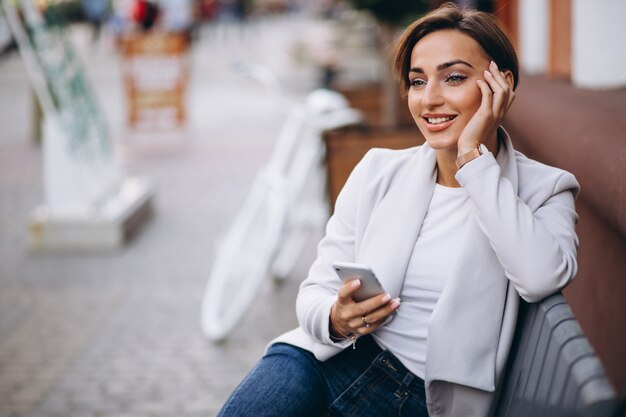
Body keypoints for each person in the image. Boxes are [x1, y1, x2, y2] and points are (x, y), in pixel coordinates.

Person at [216, 3, 580, 417]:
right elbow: (314, 291)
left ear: (501, 84)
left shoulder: (545, 189)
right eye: (418, 81)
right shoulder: (378, 171)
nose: (430, 99)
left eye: (454, 77)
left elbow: (541, 276)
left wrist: (474, 162)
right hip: (328, 365)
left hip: (426, 403)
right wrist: (337, 318)